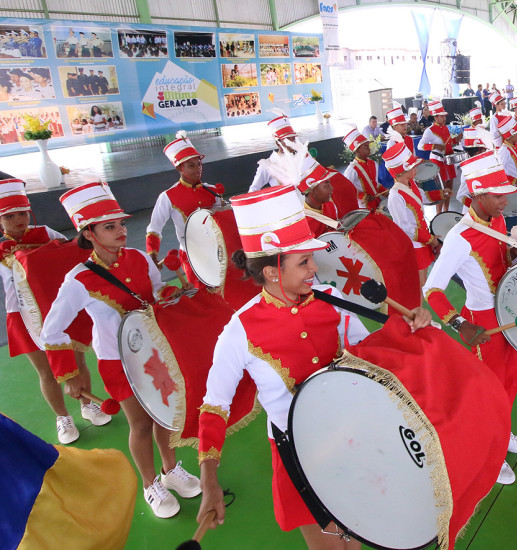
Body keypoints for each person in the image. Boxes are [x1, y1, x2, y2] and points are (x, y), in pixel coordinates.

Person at [196, 185, 431, 547]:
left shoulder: (334, 300)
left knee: (362, 535)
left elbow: (370, 353)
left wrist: (410, 327)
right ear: (274, 271)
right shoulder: (238, 331)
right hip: (298, 454)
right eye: (303, 262)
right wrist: (208, 480)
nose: (313, 269)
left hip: (353, 435)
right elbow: (215, 406)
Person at [42, 182, 201, 518]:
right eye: (109, 226)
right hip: (118, 362)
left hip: (156, 354)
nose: (120, 231)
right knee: (141, 424)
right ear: (89, 233)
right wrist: (68, 375)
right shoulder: (78, 279)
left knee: (167, 415)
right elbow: (50, 330)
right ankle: (149, 485)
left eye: (122, 224)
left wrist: (176, 293)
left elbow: (156, 294)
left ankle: (170, 470)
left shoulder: (141, 258)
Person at [422, 153, 517, 485]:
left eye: (506, 193)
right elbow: (432, 289)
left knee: (511, 380)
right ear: (478, 194)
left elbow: (499, 259)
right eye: (498, 195)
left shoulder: (495, 219)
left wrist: (515, 254)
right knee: (488, 392)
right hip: (482, 322)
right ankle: (490, 450)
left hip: (508, 314)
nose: (505, 200)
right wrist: (460, 324)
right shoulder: (459, 237)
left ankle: (503, 431)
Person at [0, 178, 110, 444]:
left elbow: (73, 256)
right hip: (23, 315)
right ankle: (63, 417)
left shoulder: (48, 233)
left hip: (60, 308)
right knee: (47, 371)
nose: (18, 220)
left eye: (23, 214)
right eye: (10, 216)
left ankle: (87, 403)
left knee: (77, 361)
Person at [146, 134, 221, 286]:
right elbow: (154, 229)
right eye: (191, 165)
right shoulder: (168, 196)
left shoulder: (213, 190)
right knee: (202, 294)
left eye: (199, 164)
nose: (198, 169)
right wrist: (152, 256)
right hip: (191, 255)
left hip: (218, 250)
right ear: (179, 167)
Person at [384, 143, 444, 286]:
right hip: (414, 244)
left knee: (423, 280)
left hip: (422, 238)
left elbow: (422, 197)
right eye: (412, 167)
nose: (416, 169)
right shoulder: (395, 195)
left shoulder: (412, 183)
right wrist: (430, 239)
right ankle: (417, 307)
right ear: (401, 172)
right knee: (420, 283)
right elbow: (405, 228)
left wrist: (441, 193)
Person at [419, 101, 460, 214]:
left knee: (449, 187)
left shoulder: (445, 128)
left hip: (448, 160)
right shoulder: (429, 131)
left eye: (444, 116)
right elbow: (420, 145)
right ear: (435, 117)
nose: (444, 118)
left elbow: (449, 143)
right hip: (437, 161)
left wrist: (456, 140)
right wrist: (434, 146)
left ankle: (446, 211)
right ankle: (438, 213)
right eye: (441, 116)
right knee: (440, 189)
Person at [342, 129, 386, 210]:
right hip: (363, 206)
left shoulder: (373, 163)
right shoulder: (352, 169)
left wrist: (385, 191)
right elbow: (346, 190)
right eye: (366, 147)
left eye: (368, 146)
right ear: (358, 150)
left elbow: (375, 184)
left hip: (377, 202)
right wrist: (363, 196)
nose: (369, 148)